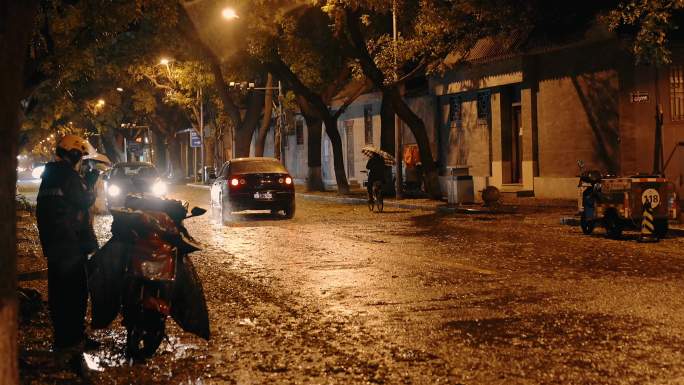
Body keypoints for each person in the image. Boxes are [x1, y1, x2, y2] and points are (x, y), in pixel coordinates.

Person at [36, 135, 99, 368]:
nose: (81, 160)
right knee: (74, 293)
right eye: (80, 156)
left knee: (61, 292)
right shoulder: (67, 175)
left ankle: (67, 338)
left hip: (56, 243)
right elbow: (84, 200)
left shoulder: (52, 174)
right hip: (68, 243)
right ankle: (71, 340)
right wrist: (91, 182)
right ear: (72, 154)